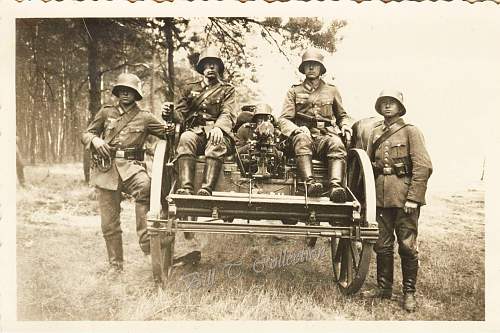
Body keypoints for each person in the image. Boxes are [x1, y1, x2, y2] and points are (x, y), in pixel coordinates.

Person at [82, 73, 171, 273]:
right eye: (122, 90)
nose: (125, 93)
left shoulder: (145, 117)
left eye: (129, 90)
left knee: (146, 187)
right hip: (107, 168)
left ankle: (146, 239)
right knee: (109, 223)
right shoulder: (106, 113)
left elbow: (168, 133)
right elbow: (87, 133)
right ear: (117, 92)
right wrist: (95, 140)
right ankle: (116, 265)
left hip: (131, 167)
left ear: (136, 94)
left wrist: (171, 118)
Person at [365, 89, 433, 312]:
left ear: (400, 107)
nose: (387, 106)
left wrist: (413, 198)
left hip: (404, 198)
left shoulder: (411, 132)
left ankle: (409, 293)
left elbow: (423, 166)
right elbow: (366, 166)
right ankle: (384, 289)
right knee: (382, 245)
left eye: (391, 103)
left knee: (406, 246)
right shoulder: (374, 132)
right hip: (380, 198)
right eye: (383, 102)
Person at [278, 48, 352, 202]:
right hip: (302, 136)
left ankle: (336, 187)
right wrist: (295, 130)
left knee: (337, 143)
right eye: (308, 65)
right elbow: (284, 119)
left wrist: (345, 125)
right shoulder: (294, 91)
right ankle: (310, 183)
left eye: (315, 65)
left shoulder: (331, 90)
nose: (311, 68)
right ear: (303, 68)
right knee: (302, 139)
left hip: (324, 136)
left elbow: (342, 116)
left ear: (321, 69)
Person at [163, 45, 237, 196]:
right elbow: (181, 115)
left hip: (219, 134)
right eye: (207, 64)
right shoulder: (190, 89)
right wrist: (170, 113)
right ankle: (186, 188)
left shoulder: (227, 90)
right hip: (196, 134)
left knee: (216, 141)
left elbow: (228, 112)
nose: (210, 67)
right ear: (201, 67)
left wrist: (219, 128)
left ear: (219, 68)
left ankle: (206, 188)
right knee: (186, 137)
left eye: (214, 64)